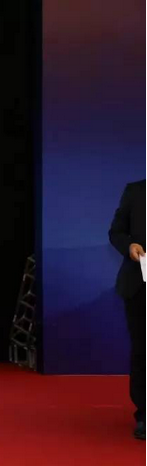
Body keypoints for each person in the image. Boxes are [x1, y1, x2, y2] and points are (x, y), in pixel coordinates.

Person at [109, 179, 146, 440]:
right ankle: (144, 414)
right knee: (143, 350)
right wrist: (129, 246)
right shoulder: (136, 190)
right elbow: (116, 232)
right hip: (139, 284)